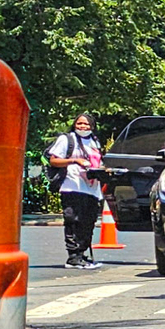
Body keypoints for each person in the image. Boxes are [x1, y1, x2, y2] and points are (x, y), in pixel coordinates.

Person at [48, 114, 107, 269]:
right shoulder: (67, 139)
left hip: (92, 188)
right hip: (72, 186)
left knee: (88, 222)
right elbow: (53, 160)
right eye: (79, 124)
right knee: (73, 220)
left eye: (86, 124)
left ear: (92, 126)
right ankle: (73, 257)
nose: (83, 127)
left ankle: (81, 254)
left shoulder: (95, 141)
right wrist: (74, 160)